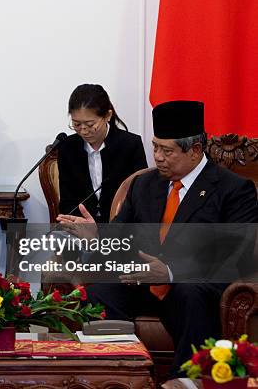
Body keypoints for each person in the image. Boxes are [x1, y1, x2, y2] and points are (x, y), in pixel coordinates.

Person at [57, 100, 258, 376]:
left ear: (195, 150)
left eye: (167, 150)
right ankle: (116, 374)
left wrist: (171, 272)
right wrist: (97, 237)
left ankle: (185, 380)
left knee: (191, 293)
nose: (158, 157)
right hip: (144, 285)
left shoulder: (233, 190)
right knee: (98, 294)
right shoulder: (144, 184)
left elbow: (235, 256)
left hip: (193, 288)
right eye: (155, 147)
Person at [57, 84, 147, 222]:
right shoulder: (67, 148)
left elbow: (140, 198)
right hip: (81, 227)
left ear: (107, 116)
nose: (83, 130)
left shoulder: (130, 145)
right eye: (76, 124)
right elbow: (67, 201)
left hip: (119, 227)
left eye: (90, 124)